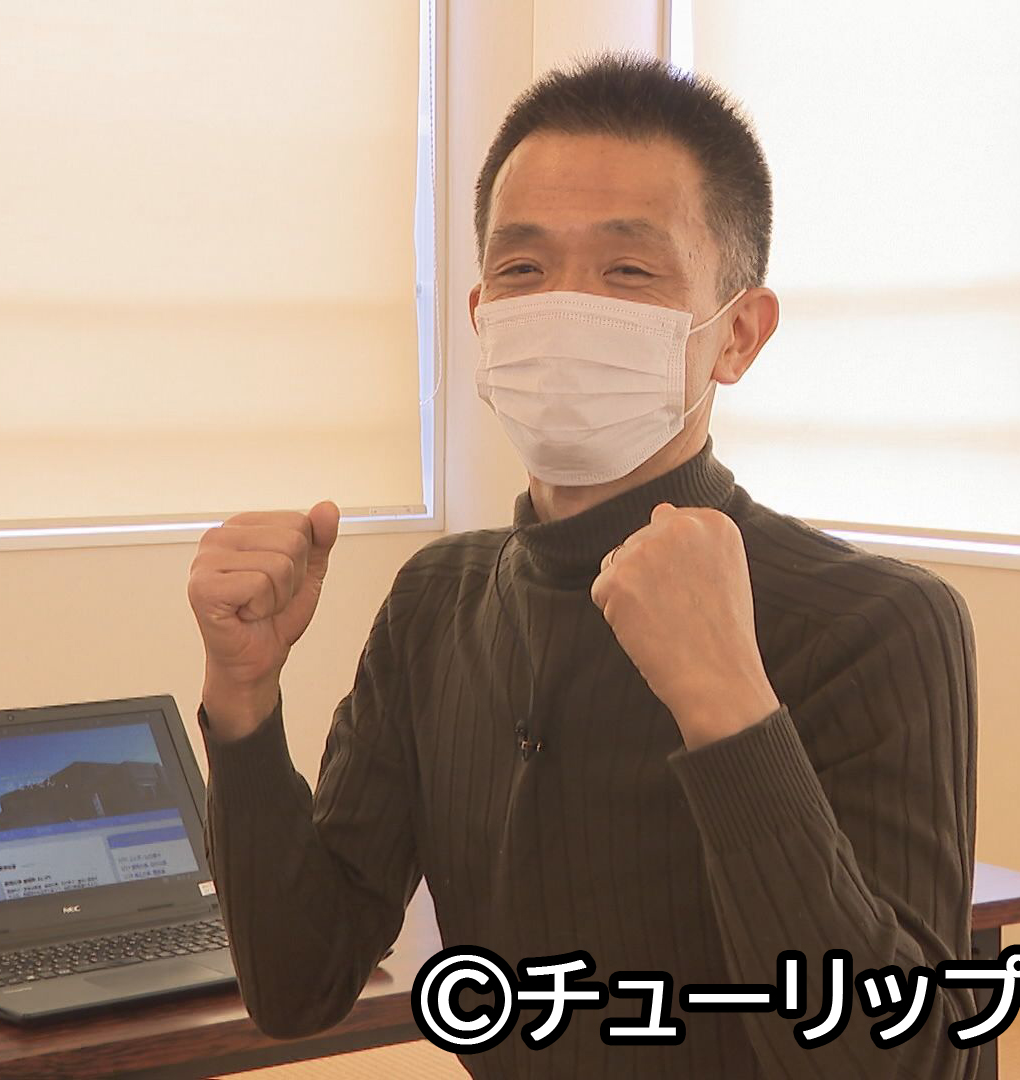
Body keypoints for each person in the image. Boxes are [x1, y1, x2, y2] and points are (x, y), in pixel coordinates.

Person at [185, 53, 978, 1079]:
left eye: (628, 271)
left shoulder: (878, 622)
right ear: (481, 316)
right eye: (523, 269)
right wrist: (244, 702)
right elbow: (301, 983)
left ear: (738, 335)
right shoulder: (437, 601)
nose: (564, 306)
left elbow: (915, 1064)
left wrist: (732, 707)